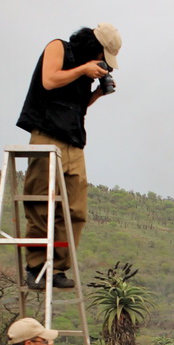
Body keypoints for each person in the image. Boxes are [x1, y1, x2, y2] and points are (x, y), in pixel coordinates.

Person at [17, 23, 122, 291]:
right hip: (46, 136)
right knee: (41, 203)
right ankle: (36, 268)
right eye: (102, 57)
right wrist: (83, 71)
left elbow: (76, 107)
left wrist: (97, 92)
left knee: (75, 210)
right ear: (95, 47)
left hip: (74, 142)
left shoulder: (87, 72)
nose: (102, 64)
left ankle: (57, 269)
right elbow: (49, 81)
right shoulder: (58, 47)